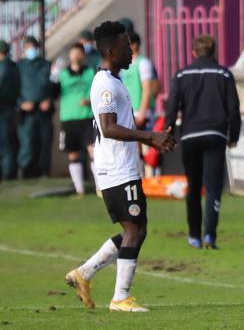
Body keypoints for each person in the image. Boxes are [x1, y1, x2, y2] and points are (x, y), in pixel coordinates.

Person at [65, 21, 176, 312]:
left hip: (122, 165)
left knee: (136, 228)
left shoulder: (114, 80)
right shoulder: (104, 85)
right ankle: (120, 298)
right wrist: (150, 136)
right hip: (116, 167)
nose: (131, 52)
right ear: (112, 51)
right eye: (127, 47)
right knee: (134, 230)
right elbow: (109, 127)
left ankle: (84, 274)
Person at [165, 35, 241, 250]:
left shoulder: (181, 74)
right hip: (215, 135)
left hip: (189, 136)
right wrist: (233, 135)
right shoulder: (224, 74)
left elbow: (172, 106)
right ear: (214, 52)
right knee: (213, 188)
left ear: (193, 53)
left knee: (194, 188)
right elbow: (233, 108)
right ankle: (209, 236)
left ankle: (193, 236)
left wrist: (168, 133)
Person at [52, 43, 98, 195]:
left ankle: (100, 187)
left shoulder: (91, 72)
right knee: (73, 154)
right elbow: (54, 93)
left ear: (83, 55)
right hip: (69, 118)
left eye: (79, 53)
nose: (76, 56)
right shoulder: (62, 74)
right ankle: (80, 189)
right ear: (70, 56)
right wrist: (52, 77)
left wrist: (90, 101)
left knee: (94, 151)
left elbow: (100, 92)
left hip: (87, 117)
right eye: (73, 53)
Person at [17, 36, 53, 178]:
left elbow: (54, 86)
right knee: (27, 142)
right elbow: (13, 89)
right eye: (28, 47)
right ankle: (24, 171)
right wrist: (21, 103)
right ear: (24, 49)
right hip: (26, 113)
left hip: (44, 112)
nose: (31, 50)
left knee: (44, 142)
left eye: (33, 47)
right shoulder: (19, 66)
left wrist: (49, 100)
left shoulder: (46, 64)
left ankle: (44, 172)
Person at [120, 32, 154, 130]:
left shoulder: (143, 63)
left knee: (143, 144)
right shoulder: (124, 65)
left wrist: (142, 114)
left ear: (134, 45)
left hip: (140, 114)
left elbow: (147, 90)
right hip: (128, 112)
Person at [0, 40, 20, 181]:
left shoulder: (3, 68)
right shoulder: (14, 66)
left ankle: (7, 175)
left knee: (5, 146)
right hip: (11, 109)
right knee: (8, 144)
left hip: (2, 110)